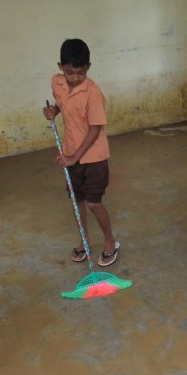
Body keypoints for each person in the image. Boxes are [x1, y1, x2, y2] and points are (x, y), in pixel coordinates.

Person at [43, 38, 120, 267]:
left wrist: (74, 157)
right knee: (78, 202)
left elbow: (95, 129)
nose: (75, 77)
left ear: (89, 67)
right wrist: (53, 111)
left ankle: (110, 243)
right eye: (69, 72)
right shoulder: (57, 83)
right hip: (70, 153)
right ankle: (84, 241)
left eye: (80, 72)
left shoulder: (93, 93)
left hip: (93, 157)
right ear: (60, 67)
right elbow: (62, 103)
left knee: (94, 203)